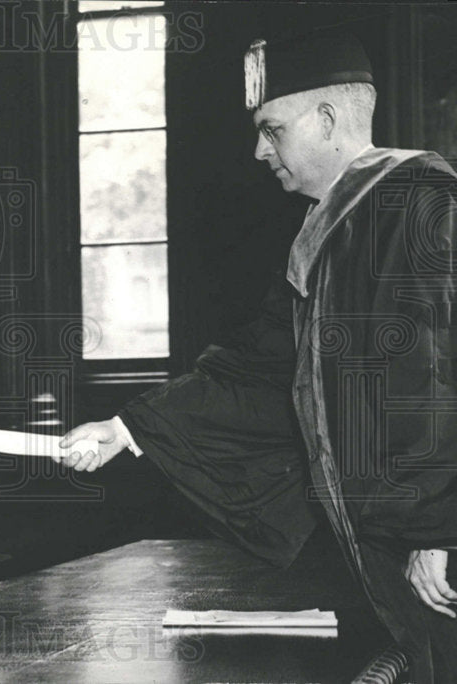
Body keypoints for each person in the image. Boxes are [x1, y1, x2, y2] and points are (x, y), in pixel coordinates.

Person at [61, 30, 457, 681]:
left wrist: (437, 533)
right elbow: (260, 369)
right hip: (388, 545)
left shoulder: (421, 206)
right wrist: (127, 427)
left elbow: (438, 379)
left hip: (434, 545)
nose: (258, 150)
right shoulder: (330, 228)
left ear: (327, 119)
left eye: (272, 129)